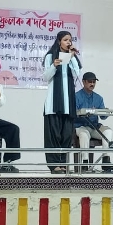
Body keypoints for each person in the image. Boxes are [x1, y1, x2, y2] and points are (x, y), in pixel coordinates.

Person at [43, 31, 81, 172]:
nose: (68, 42)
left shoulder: (72, 58)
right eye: (65, 40)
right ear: (59, 41)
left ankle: (63, 164)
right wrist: (54, 65)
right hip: (53, 104)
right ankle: (54, 165)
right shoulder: (50, 56)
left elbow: (77, 74)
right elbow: (46, 77)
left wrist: (72, 57)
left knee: (66, 136)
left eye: (70, 40)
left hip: (68, 104)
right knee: (53, 136)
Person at [75, 72, 113, 171]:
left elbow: (103, 117)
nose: (92, 84)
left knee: (108, 131)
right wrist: (83, 113)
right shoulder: (76, 96)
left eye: (94, 82)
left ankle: (106, 161)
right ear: (83, 82)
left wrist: (106, 112)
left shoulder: (98, 98)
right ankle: (85, 163)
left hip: (94, 126)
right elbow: (74, 114)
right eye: (90, 82)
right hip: (81, 126)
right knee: (84, 134)